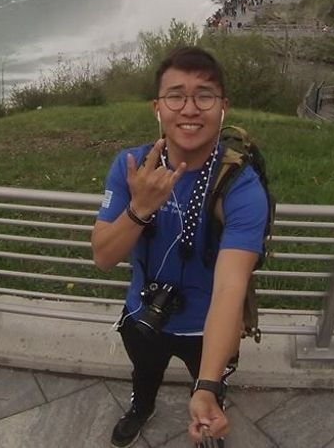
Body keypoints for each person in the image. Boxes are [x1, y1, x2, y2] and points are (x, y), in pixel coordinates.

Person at [92, 46, 268, 447]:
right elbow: (103, 256)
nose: (189, 109)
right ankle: (141, 408)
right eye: (176, 96)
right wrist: (139, 209)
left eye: (204, 96)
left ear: (223, 107)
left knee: (209, 385)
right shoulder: (131, 167)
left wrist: (206, 386)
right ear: (157, 107)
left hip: (209, 328)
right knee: (144, 373)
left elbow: (230, 288)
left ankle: (208, 407)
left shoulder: (241, 186)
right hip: (143, 313)